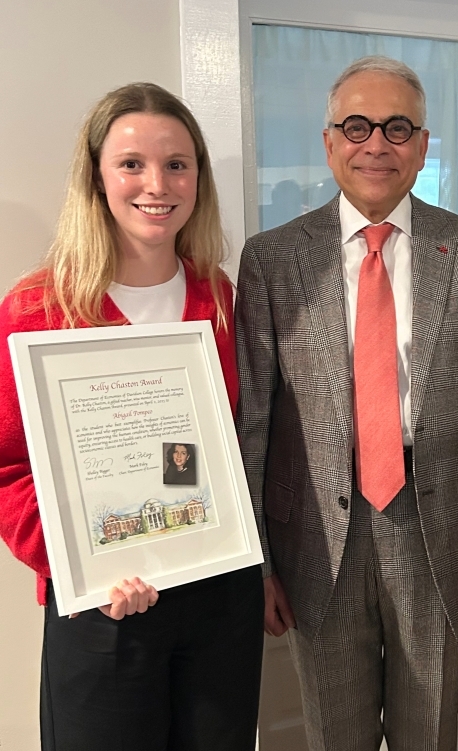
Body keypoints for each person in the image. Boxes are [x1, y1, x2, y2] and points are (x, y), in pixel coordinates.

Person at [235, 56, 458, 751]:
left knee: (430, 730)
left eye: (398, 128)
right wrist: (260, 562)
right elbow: (254, 421)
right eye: (356, 126)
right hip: (314, 539)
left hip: (444, 535)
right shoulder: (272, 259)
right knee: (335, 733)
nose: (377, 144)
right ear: (329, 142)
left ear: (423, 147)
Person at [0, 83, 264, 750]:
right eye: (132, 164)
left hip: (217, 595)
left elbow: (208, 446)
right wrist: (84, 565)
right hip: (102, 608)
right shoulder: (37, 308)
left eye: (177, 163)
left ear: (198, 177)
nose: (157, 183)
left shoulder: (219, 297)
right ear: (97, 175)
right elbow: (8, 469)